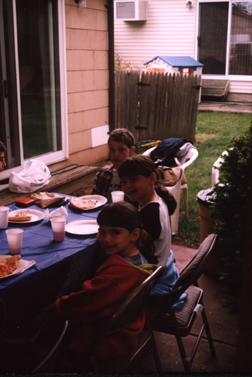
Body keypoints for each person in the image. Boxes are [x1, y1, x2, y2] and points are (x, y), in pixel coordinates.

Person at [42, 202, 157, 370]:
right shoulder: (139, 258)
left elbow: (82, 303)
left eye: (115, 232)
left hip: (108, 341)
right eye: (102, 231)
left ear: (134, 235)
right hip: (129, 329)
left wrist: (56, 306)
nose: (106, 239)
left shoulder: (117, 276)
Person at [118, 154, 176, 266]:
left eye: (133, 179)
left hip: (151, 273)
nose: (127, 186)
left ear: (152, 178)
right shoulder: (155, 198)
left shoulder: (150, 213)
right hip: (161, 263)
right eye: (123, 181)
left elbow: (131, 248)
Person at [92, 128, 135, 202]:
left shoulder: (135, 175)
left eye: (121, 149)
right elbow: (95, 199)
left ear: (131, 150)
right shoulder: (104, 173)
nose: (116, 154)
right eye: (112, 149)